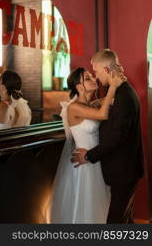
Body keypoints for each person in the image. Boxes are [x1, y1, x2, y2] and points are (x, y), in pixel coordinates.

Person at [71, 49, 144, 223]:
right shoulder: (120, 93)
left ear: (105, 70)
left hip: (123, 171)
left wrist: (88, 155)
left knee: (114, 223)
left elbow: (116, 138)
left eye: (95, 71)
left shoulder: (124, 96)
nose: (95, 76)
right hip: (122, 169)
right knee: (125, 221)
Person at [47, 66, 122, 223]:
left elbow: (105, 104)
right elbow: (103, 114)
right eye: (88, 78)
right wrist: (112, 86)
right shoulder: (74, 107)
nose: (94, 79)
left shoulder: (90, 105)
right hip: (84, 165)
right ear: (79, 86)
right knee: (85, 207)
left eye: (92, 76)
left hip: (95, 159)